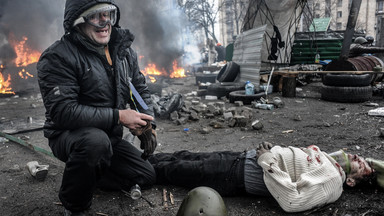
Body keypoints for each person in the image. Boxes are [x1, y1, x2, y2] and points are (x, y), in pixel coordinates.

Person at [37, 0, 157, 215]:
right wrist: (119, 116)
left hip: (108, 136)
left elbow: (138, 88)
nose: (104, 22)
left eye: (108, 14)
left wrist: (148, 119)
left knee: (145, 175)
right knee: (95, 143)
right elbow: (63, 112)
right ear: (78, 22)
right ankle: (74, 205)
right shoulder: (58, 56)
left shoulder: (124, 52)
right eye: (95, 16)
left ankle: (89, 173)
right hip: (70, 136)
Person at [149, 142, 379, 213]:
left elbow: (293, 201)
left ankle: (125, 172)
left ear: (350, 181)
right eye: (361, 158)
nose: (359, 157)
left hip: (235, 175)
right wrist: (272, 150)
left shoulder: (332, 182)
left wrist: (268, 158)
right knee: (181, 155)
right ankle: (137, 159)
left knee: (174, 170)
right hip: (240, 158)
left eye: (362, 165)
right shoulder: (330, 161)